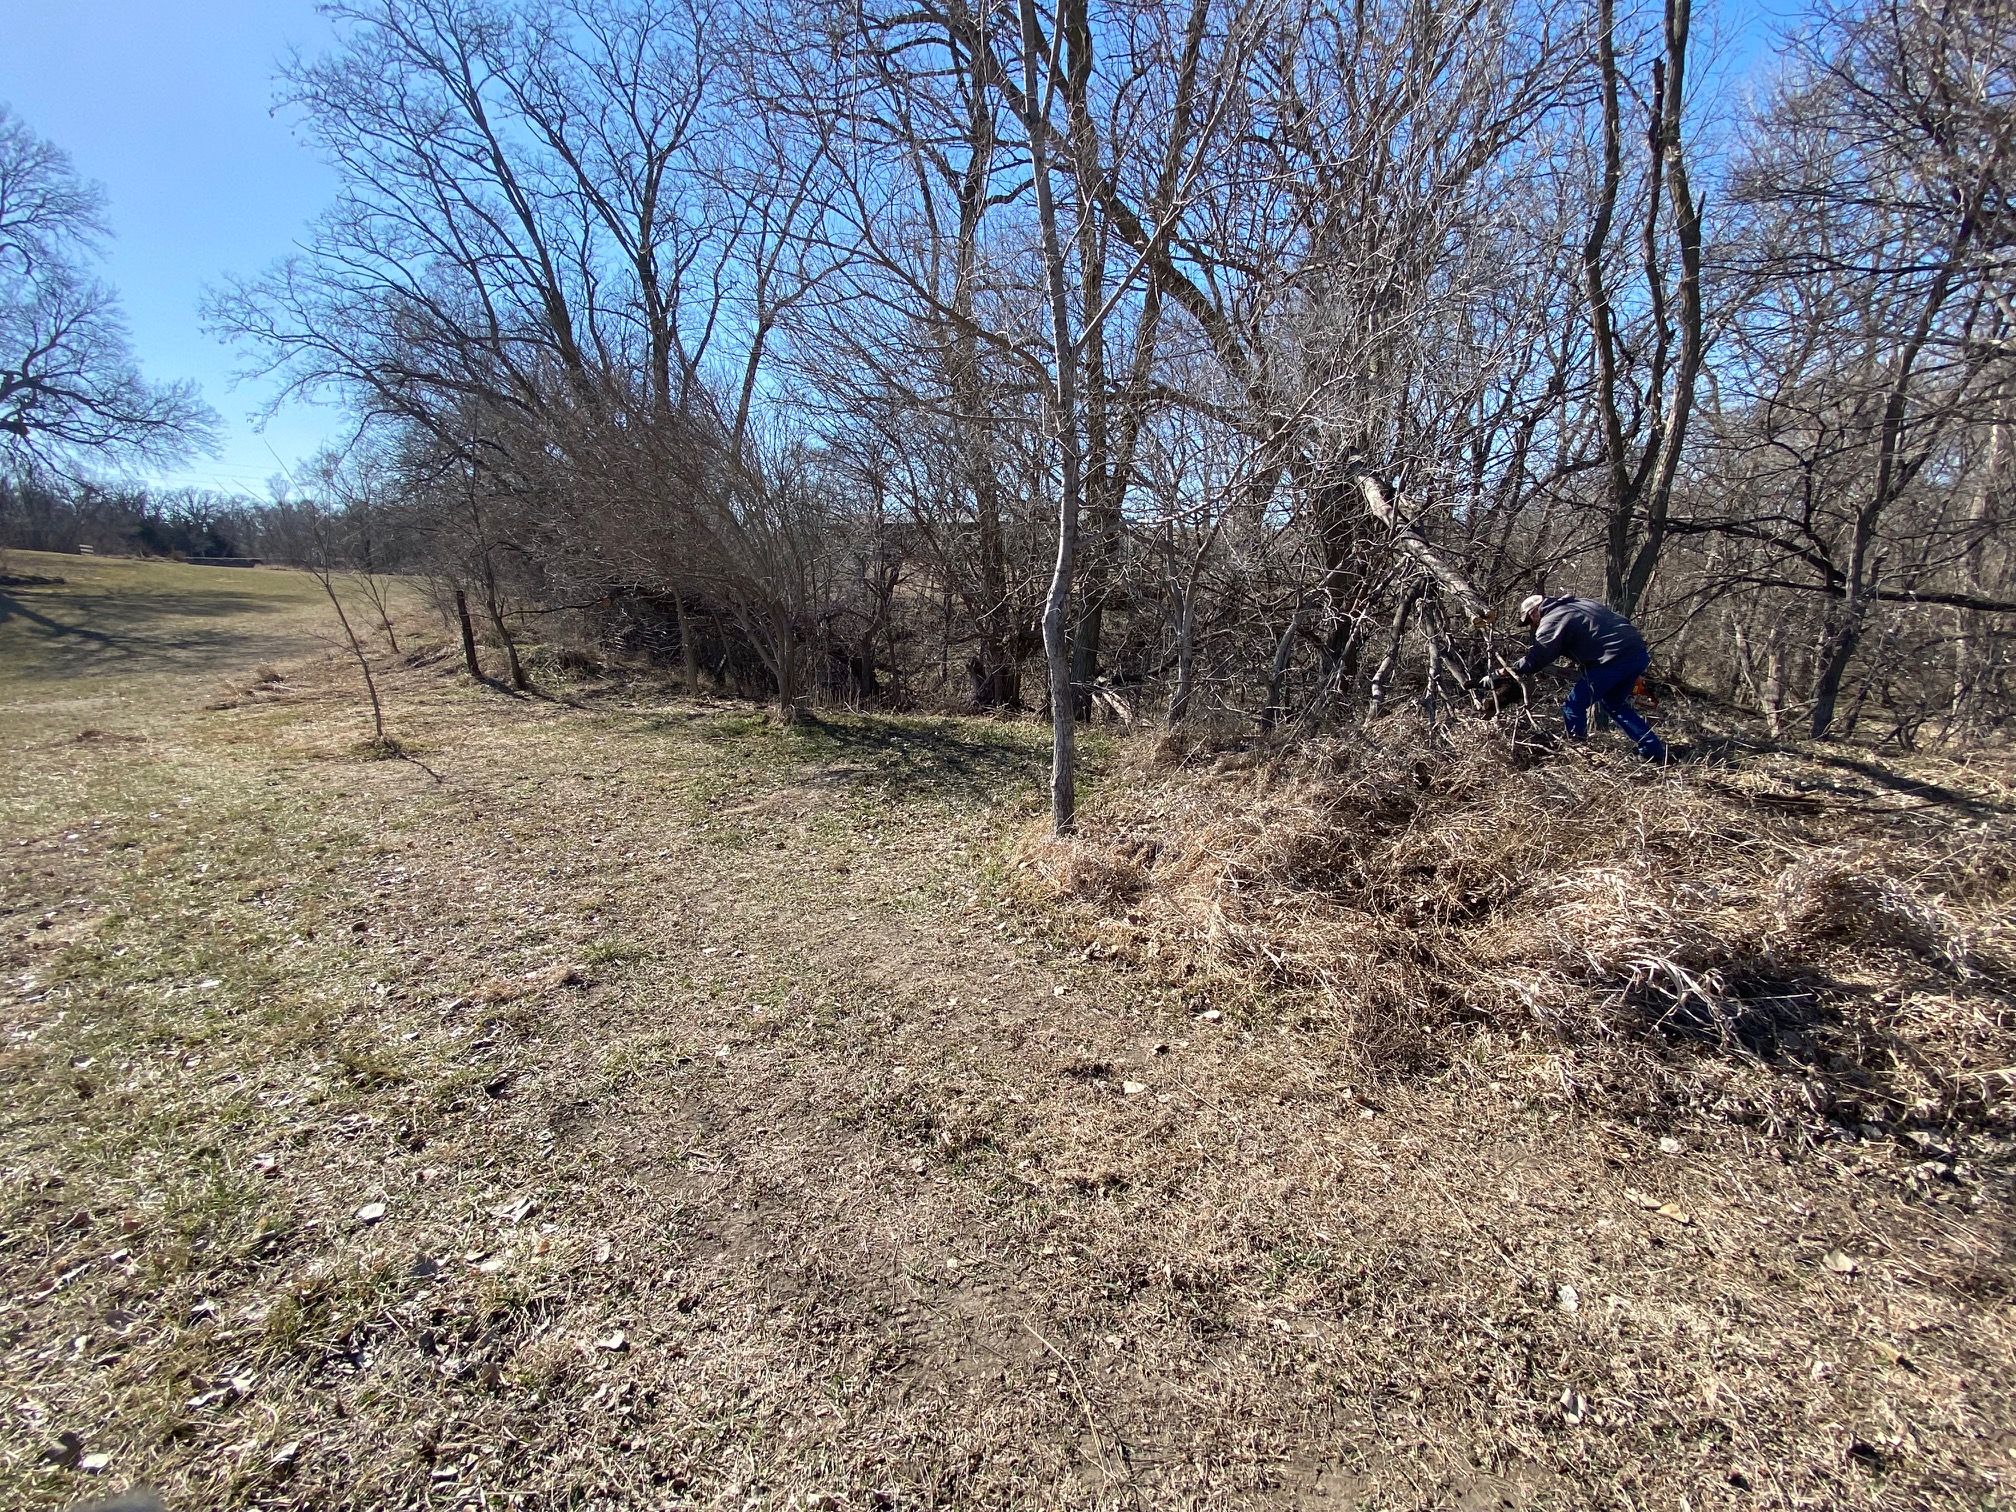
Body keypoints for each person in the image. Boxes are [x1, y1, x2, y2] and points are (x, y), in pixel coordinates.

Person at [1486, 592, 1667, 761]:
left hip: (1612, 660)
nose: (1533, 626)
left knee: (1573, 706)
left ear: (1534, 612)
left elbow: (1539, 657)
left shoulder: (1553, 619)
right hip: (1637, 652)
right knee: (1614, 704)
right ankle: (1653, 752)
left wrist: (1508, 671)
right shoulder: (1581, 603)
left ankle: (1578, 753)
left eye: (1530, 621)